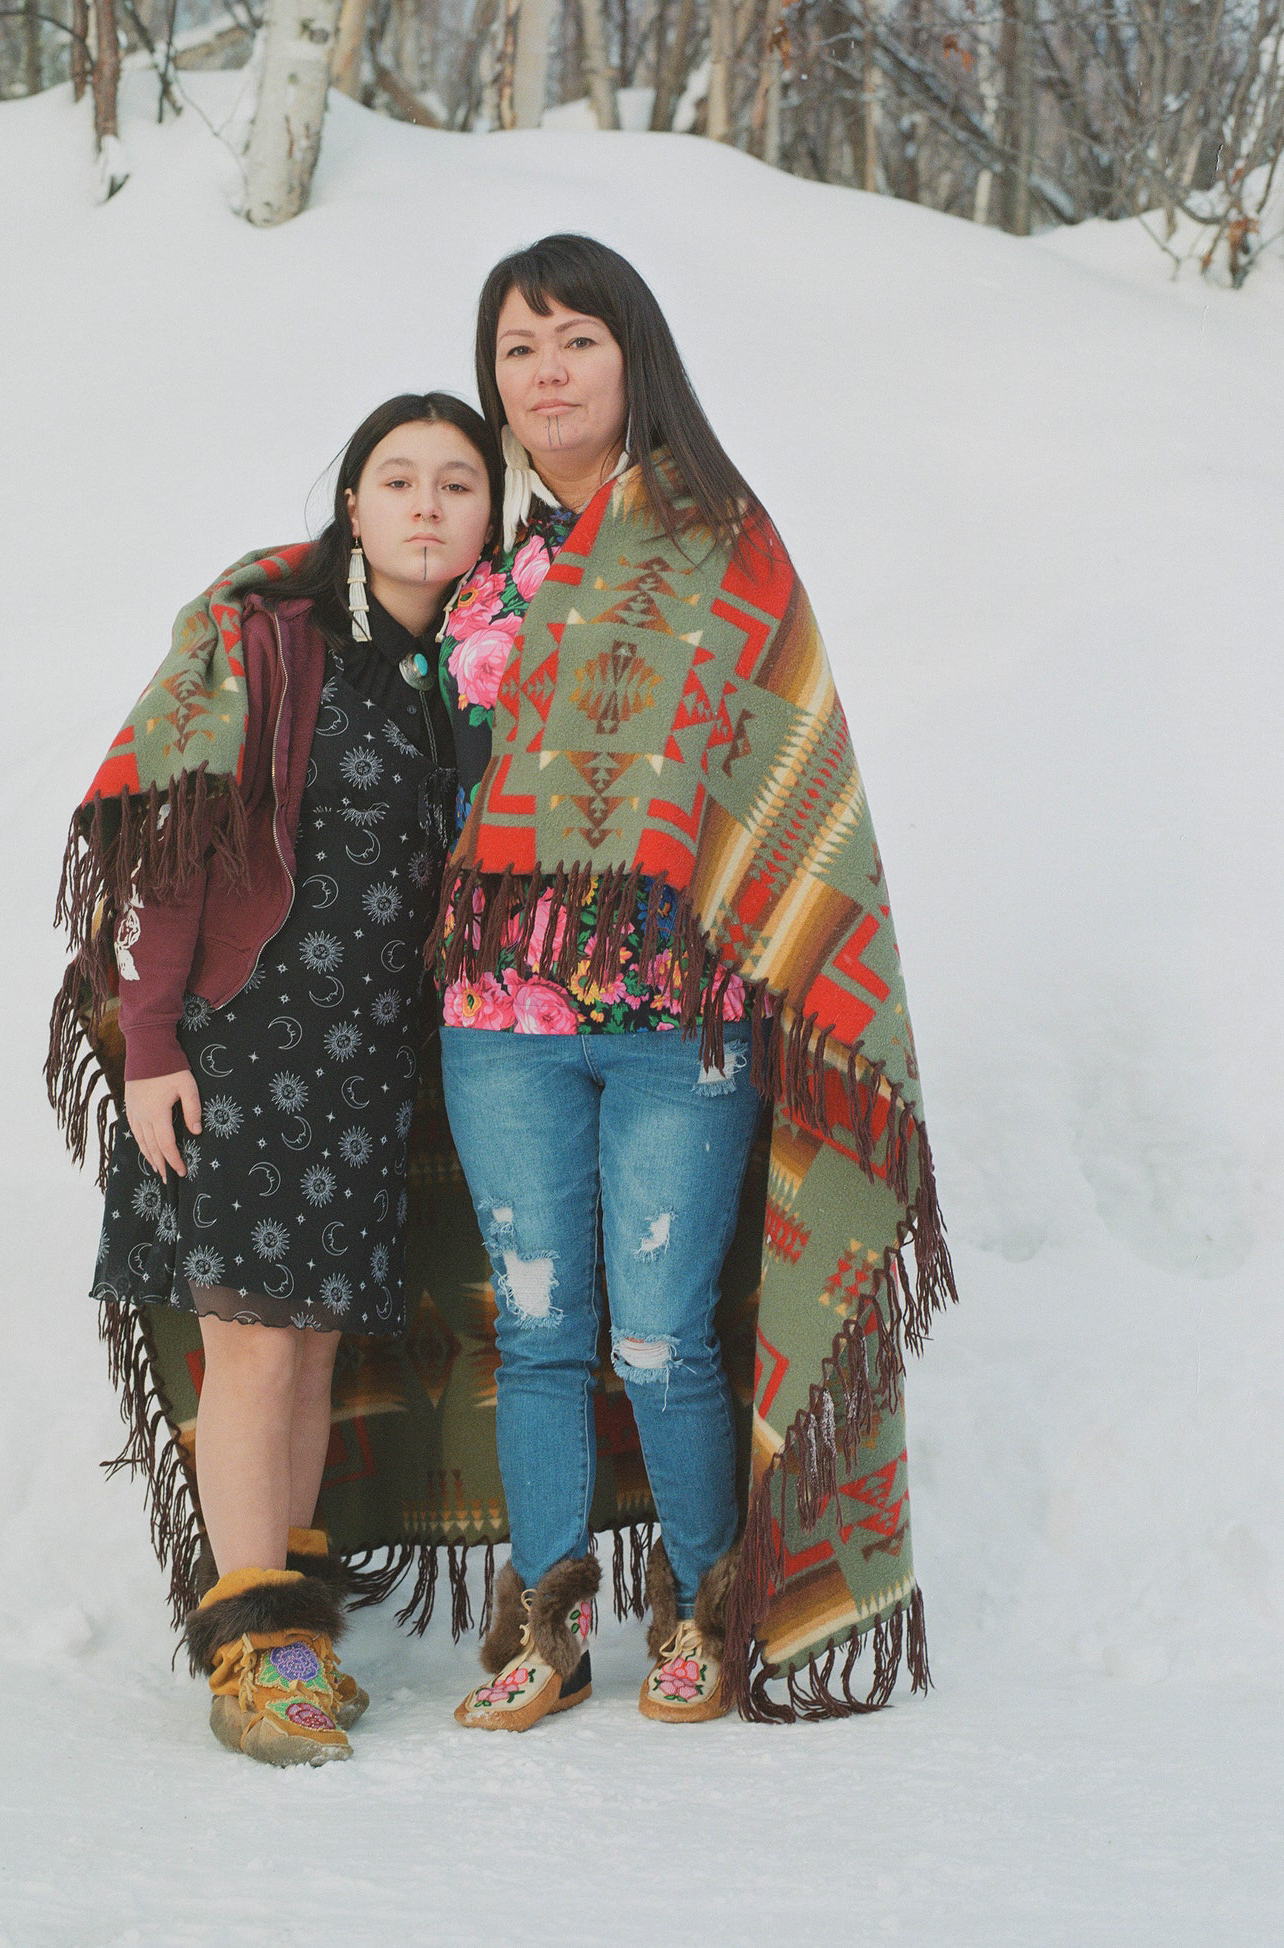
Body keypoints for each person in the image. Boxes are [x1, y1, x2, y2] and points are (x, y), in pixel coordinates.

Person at [431, 236, 953, 1731]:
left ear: (634, 356)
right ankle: (544, 1622)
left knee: (661, 1336)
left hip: (677, 1018)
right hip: (498, 1020)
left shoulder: (723, 537)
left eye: (575, 340)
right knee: (534, 1328)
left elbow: (783, 765)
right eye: (518, 349)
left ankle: (704, 1605)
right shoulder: (483, 556)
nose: (545, 374)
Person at [50, 393, 498, 1765]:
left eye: (460, 484)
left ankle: (290, 1620)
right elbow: (175, 842)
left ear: (493, 519)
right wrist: (151, 1041)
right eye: (397, 479)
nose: (428, 505)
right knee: (251, 1348)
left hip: (364, 1069)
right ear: (351, 506)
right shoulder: (272, 644)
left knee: (308, 1353)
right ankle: (259, 1655)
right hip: (245, 1047)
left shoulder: (476, 670)